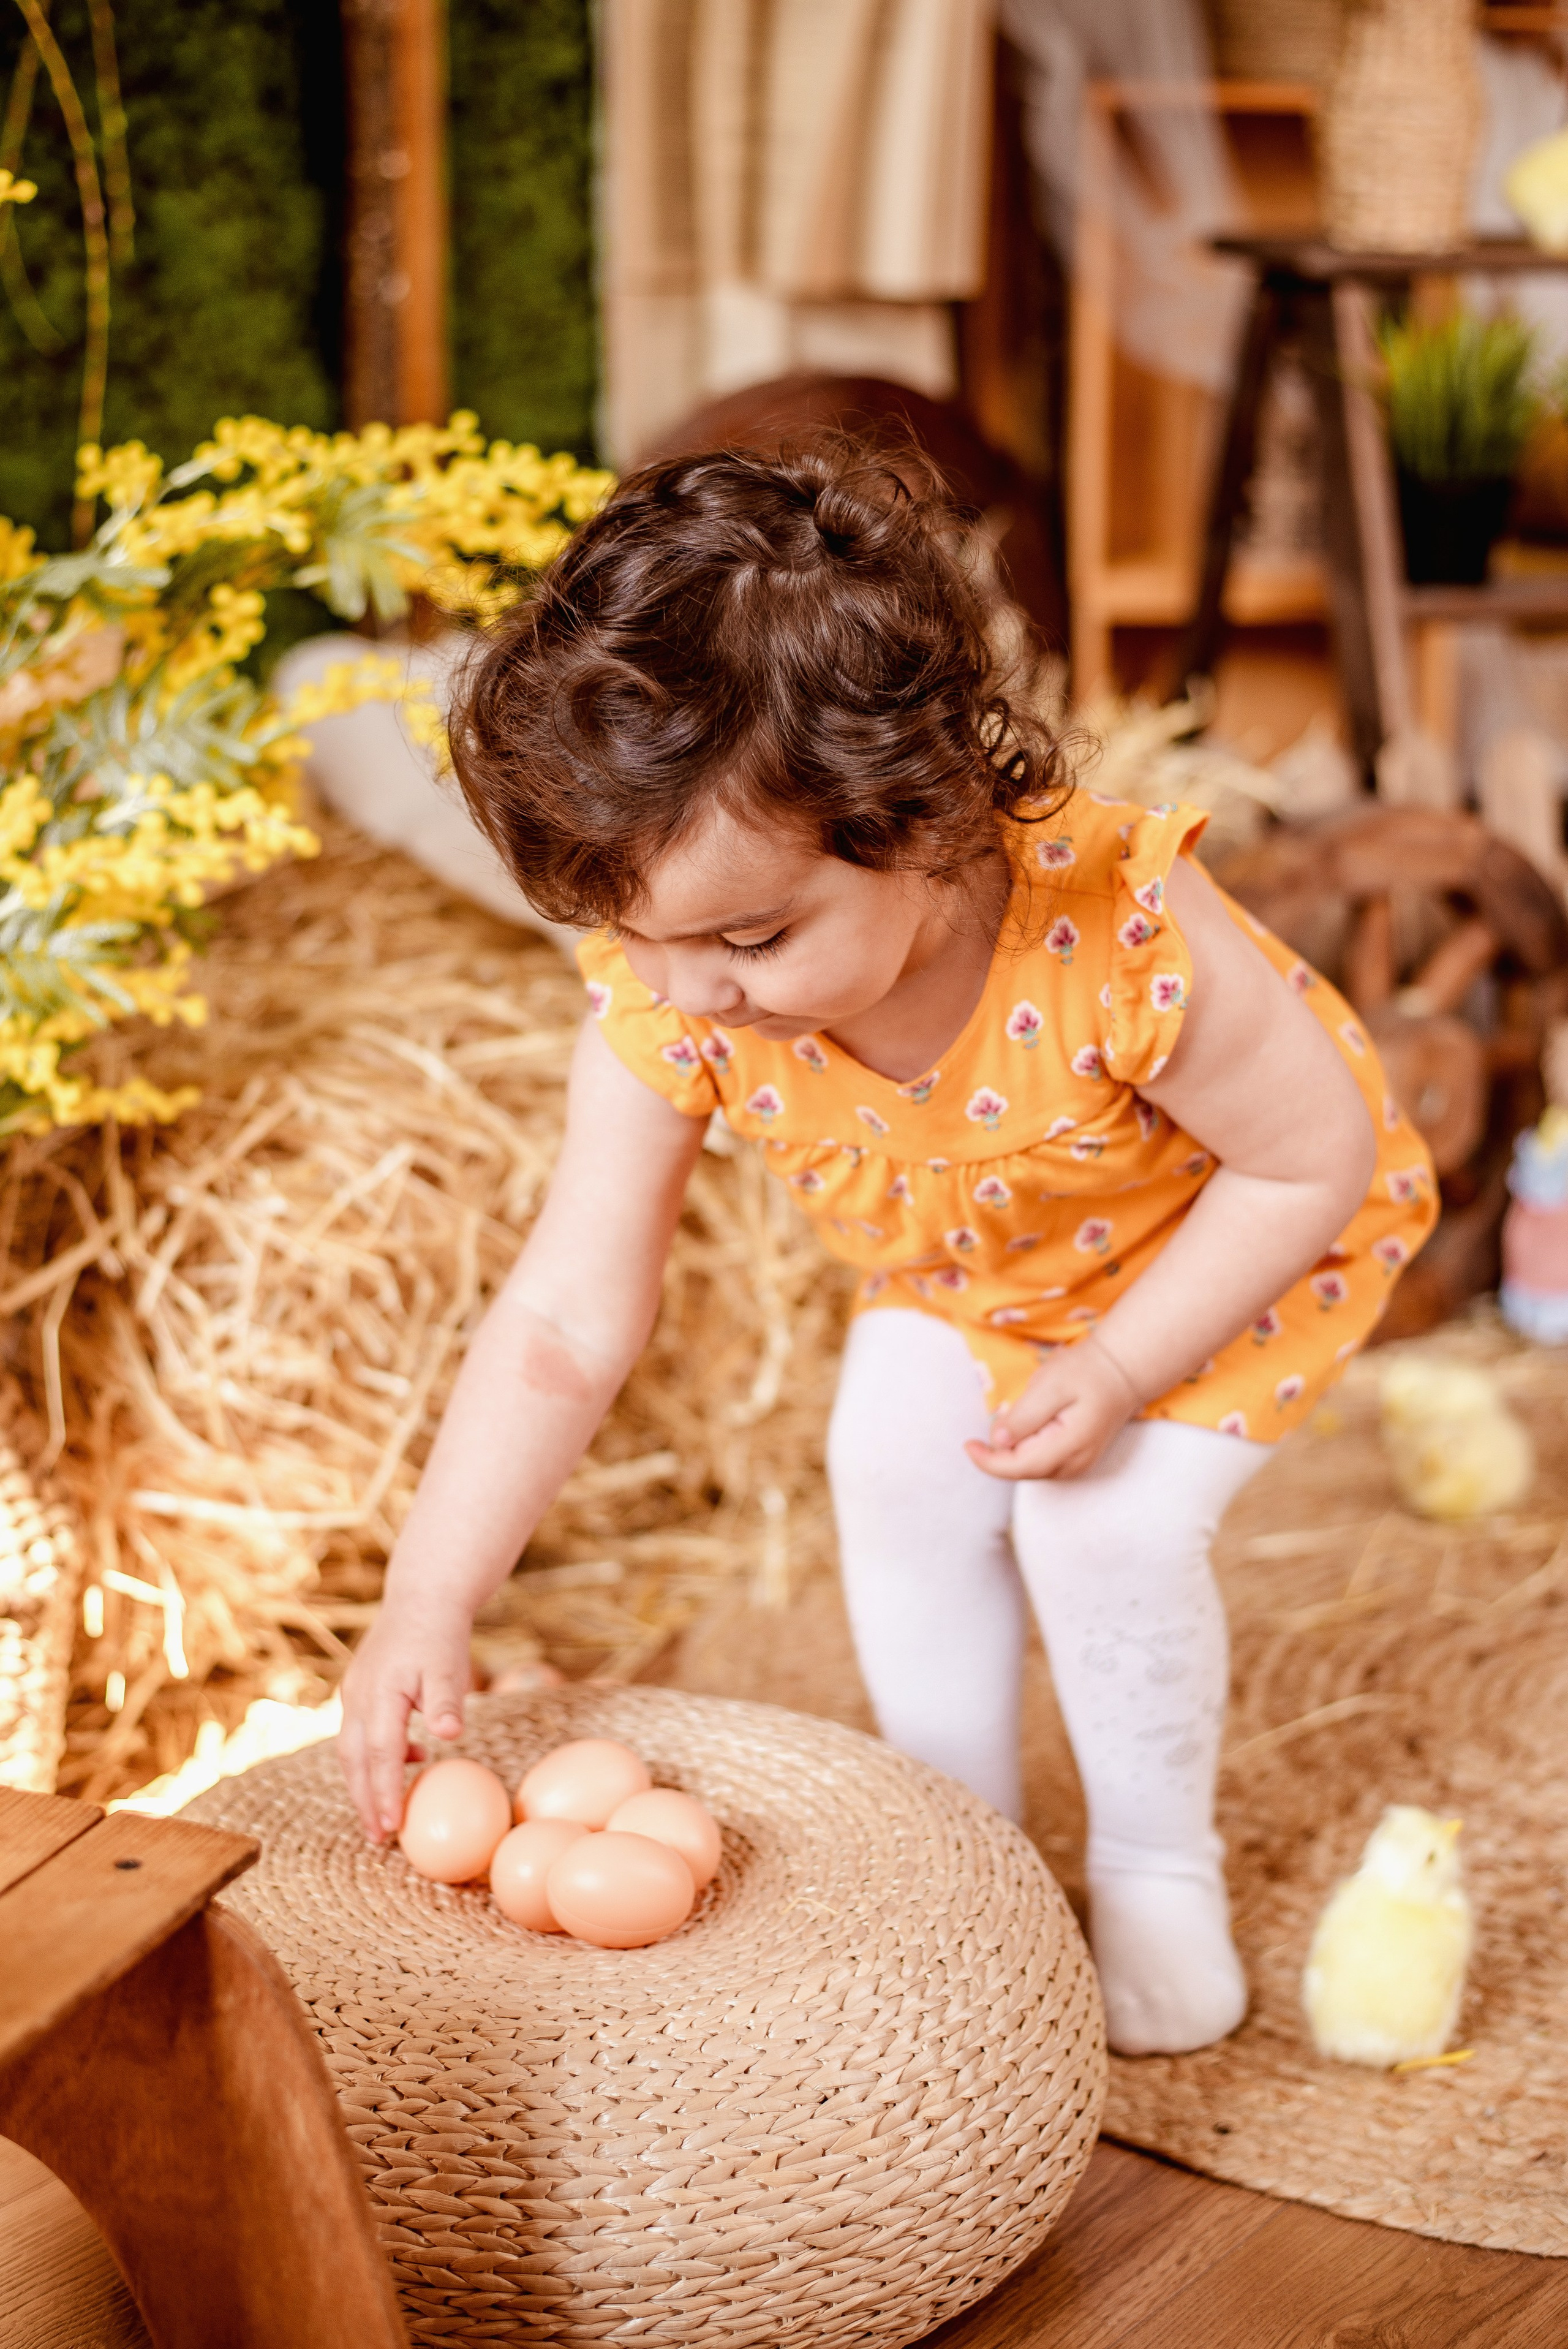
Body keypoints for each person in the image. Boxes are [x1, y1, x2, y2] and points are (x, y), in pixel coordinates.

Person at [338, 440, 1436, 2055]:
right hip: (980, 1267)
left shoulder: (1116, 935)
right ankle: (963, 1850)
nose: (690, 993)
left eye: (749, 938)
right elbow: (569, 1316)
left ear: (920, 822)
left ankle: (1152, 1873)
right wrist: (429, 1592)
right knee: (893, 1470)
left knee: (1100, 1528)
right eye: (635, 939)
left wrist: (1126, 1364)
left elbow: (1312, 1155)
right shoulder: (678, 986)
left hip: (1224, 1251)